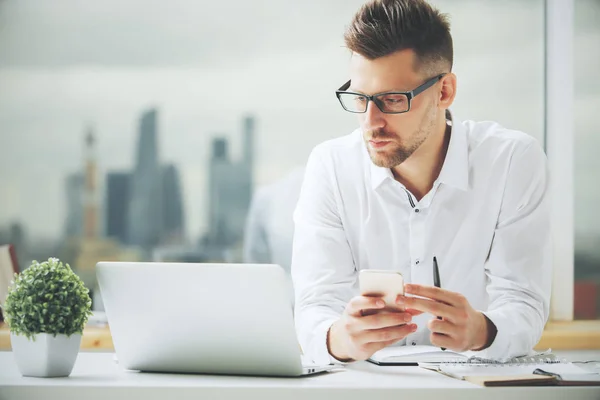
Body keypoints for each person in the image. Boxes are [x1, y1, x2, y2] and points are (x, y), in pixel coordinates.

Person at [291, 0, 551, 365]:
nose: (371, 122)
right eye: (360, 98)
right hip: (364, 388)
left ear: (444, 91)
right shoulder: (330, 166)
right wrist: (340, 338)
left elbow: (523, 302)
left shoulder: (511, 162)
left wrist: (482, 331)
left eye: (392, 99)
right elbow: (315, 306)